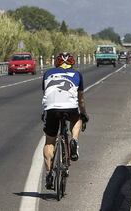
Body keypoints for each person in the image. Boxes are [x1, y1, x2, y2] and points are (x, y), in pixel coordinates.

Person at [41, 52, 89, 189]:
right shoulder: (77, 75)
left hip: (51, 108)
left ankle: (49, 173)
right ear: (72, 64)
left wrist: (44, 112)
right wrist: (84, 114)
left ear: (57, 63)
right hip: (70, 107)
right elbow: (81, 99)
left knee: (50, 141)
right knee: (77, 118)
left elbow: (47, 94)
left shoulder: (48, 73)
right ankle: (74, 140)